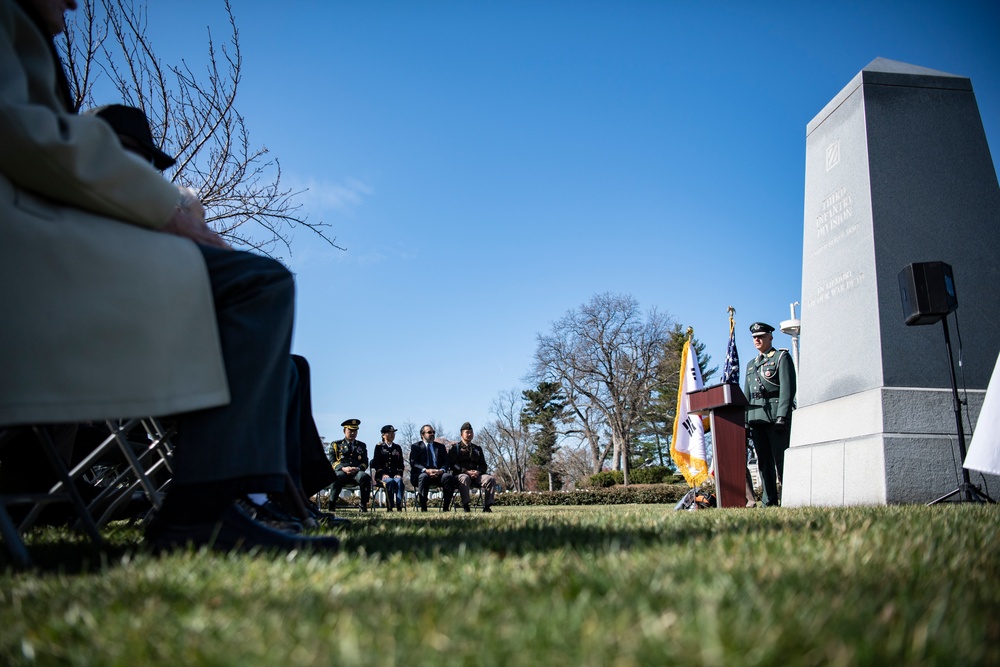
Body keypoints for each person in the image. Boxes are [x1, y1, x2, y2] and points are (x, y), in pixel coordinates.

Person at [0, 0, 338, 553]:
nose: (74, 3)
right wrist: (164, 210)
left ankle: (259, 498)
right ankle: (215, 508)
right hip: (35, 282)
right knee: (256, 287)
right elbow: (25, 129)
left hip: (69, 277)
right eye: (129, 156)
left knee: (273, 330)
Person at [743, 322, 797, 507]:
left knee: (781, 460)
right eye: (754, 338)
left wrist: (783, 415)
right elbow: (746, 396)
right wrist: (746, 422)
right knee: (764, 463)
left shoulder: (781, 357)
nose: (757, 340)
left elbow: (788, 389)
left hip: (775, 418)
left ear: (770, 337)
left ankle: (789, 498)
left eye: (761, 336)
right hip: (756, 418)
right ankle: (769, 501)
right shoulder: (751, 365)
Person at [449, 422, 496, 512]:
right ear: (461, 434)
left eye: (471, 432)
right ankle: (466, 505)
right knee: (465, 478)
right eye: (467, 432)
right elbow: (453, 464)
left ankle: (487, 506)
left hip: (476, 476)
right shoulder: (455, 448)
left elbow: (483, 465)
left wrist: (478, 472)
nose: (469, 434)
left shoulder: (477, 449)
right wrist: (466, 471)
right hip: (460, 475)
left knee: (490, 479)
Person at [409, 425, 456, 512]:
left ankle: (446, 508)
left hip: (438, 474)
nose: (432, 434)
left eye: (433, 432)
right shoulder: (416, 447)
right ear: (422, 435)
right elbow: (414, 463)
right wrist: (426, 470)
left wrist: (441, 470)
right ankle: (424, 507)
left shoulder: (440, 447)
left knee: (448, 477)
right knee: (424, 477)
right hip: (421, 475)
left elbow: (446, 462)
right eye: (429, 432)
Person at [329, 419, 372, 511]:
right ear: (344, 431)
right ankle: (332, 503)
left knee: (365, 477)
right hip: (342, 471)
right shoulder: (336, 444)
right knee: (337, 477)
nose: (353, 433)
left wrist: (357, 468)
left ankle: (363, 504)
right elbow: (332, 461)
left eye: (355, 431)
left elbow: (365, 462)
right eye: (350, 431)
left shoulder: (362, 445)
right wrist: (343, 468)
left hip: (356, 471)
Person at [370, 424, 405, 511]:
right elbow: (376, 463)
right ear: (383, 435)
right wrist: (383, 474)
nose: (392, 435)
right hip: (382, 476)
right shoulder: (379, 447)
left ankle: (399, 506)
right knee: (389, 482)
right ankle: (390, 507)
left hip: (394, 474)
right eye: (389, 433)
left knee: (399, 481)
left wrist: (399, 474)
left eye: (393, 433)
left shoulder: (397, 447)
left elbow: (401, 463)